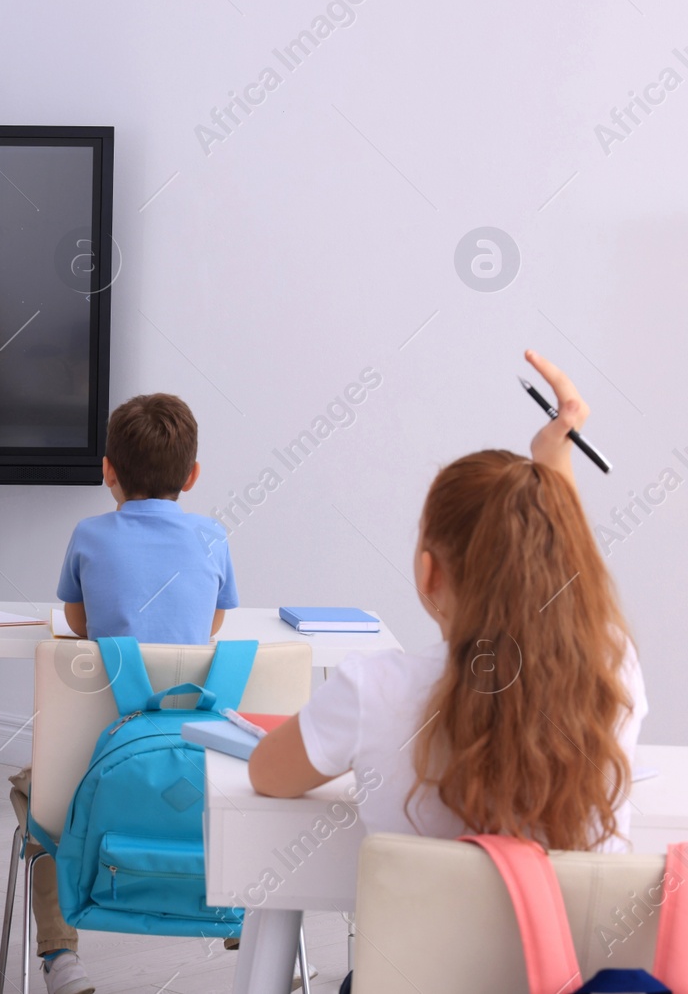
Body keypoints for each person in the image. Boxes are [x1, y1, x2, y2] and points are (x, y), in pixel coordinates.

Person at [249, 351, 647, 993]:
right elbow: (565, 577)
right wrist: (554, 454)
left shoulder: (371, 690)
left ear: (429, 571)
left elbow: (268, 774)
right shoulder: (613, 674)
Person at [16, 391, 237, 994]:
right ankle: (251, 934)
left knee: (34, 799)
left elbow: (80, 621)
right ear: (191, 477)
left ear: (106, 469)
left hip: (96, 768)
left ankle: (61, 960)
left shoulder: (89, 534)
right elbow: (211, 627)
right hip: (200, 771)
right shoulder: (214, 537)